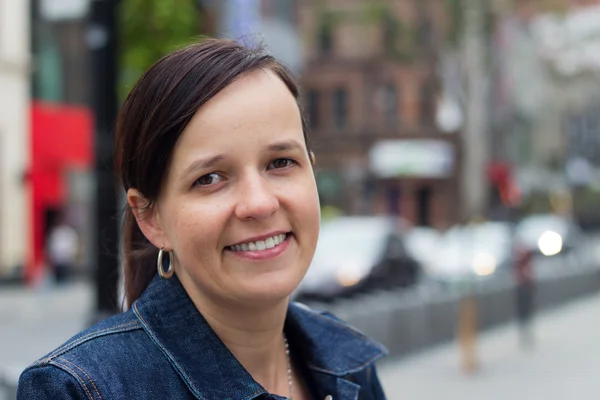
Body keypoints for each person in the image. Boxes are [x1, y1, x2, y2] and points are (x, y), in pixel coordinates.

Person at [18, 39, 388, 399]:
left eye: (280, 163)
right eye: (209, 178)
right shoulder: (80, 390)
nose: (258, 204)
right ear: (151, 218)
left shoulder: (348, 365)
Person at [46, 213, 79, 284]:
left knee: (66, 277)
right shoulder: (56, 231)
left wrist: (72, 254)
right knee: (58, 277)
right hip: (58, 259)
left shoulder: (69, 232)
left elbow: (73, 244)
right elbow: (53, 244)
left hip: (67, 258)